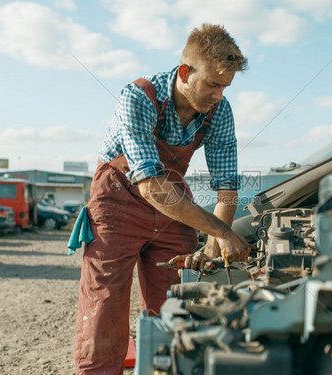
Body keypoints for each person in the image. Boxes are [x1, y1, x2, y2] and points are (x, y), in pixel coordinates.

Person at [74, 23, 250, 374]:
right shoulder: (139, 96)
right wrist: (221, 232)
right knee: (104, 304)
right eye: (213, 85)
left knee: (180, 297)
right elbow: (150, 186)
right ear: (185, 72)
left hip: (172, 201)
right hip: (119, 197)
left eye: (225, 87)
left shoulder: (219, 110)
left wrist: (217, 245)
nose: (218, 95)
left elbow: (227, 186)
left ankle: (169, 367)